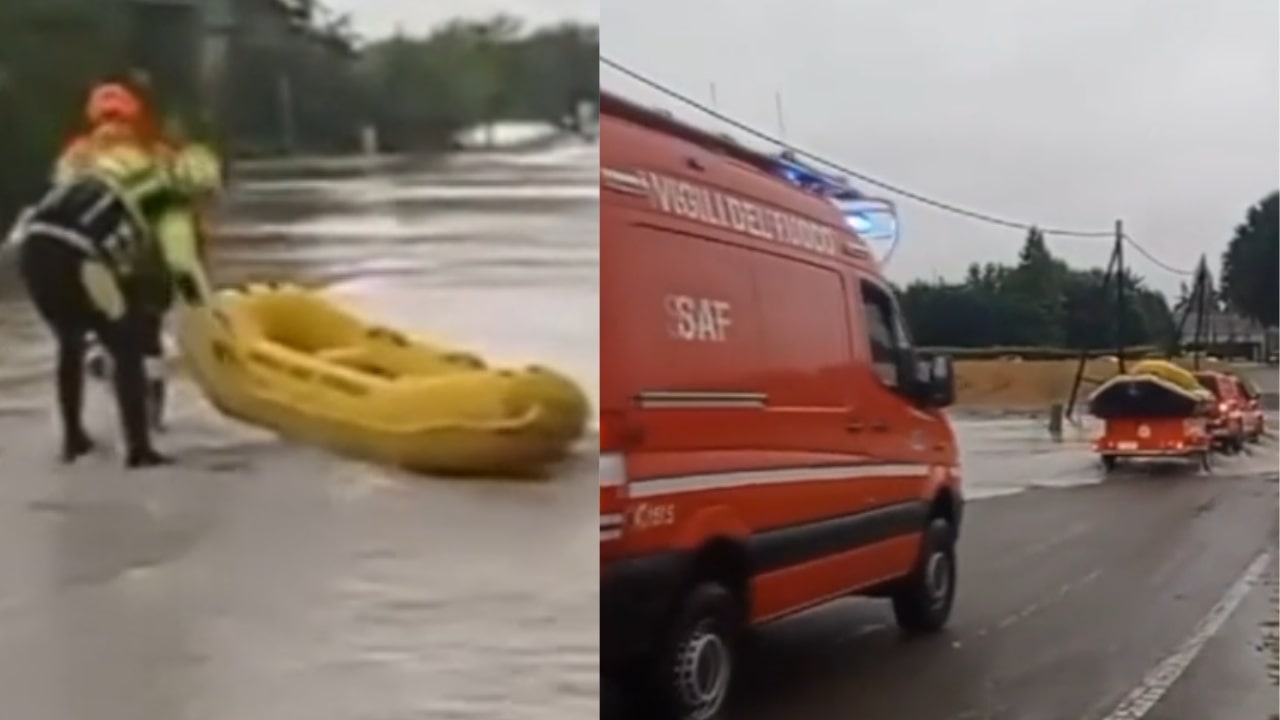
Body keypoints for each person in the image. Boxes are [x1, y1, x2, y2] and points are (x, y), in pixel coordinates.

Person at [12, 104, 221, 468]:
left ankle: (73, 438)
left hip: (33, 244)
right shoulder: (169, 204)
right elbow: (183, 267)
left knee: (70, 340)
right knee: (126, 345)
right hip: (80, 253)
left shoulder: (119, 164)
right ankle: (140, 449)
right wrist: (213, 317)